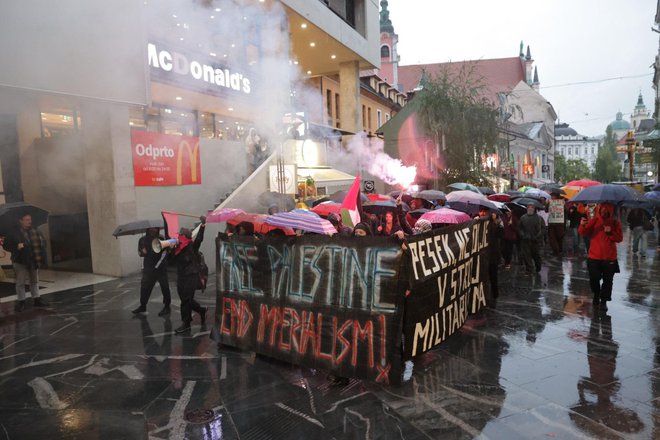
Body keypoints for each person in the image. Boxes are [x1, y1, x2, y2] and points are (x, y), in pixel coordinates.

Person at [579, 203, 623, 311]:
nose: (604, 212)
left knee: (608, 281)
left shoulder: (615, 222)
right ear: (599, 210)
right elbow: (583, 232)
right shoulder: (594, 220)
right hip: (594, 256)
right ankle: (596, 293)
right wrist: (582, 224)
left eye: (607, 210)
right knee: (594, 278)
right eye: (603, 210)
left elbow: (619, 238)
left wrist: (610, 232)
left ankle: (603, 301)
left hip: (609, 258)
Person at [4, 213, 48, 311]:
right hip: (20, 261)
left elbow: (43, 241)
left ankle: (37, 299)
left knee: (34, 281)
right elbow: (6, 245)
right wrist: (16, 247)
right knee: (20, 282)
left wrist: (41, 244)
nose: (29, 221)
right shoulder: (13, 232)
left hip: (34, 260)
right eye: (27, 220)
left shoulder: (35, 230)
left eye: (30, 219)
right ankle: (21, 301)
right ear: (21, 221)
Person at [171, 217, 208, 334]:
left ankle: (186, 323)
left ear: (186, 236)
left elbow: (199, 239)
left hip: (191, 275)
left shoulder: (192, 246)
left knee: (186, 300)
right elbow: (171, 262)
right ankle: (201, 310)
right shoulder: (177, 248)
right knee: (185, 299)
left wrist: (203, 226)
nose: (179, 236)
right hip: (181, 276)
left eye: (182, 234)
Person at [132, 227, 171, 316]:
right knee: (145, 287)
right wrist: (142, 252)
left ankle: (167, 306)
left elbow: (166, 253)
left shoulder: (160, 239)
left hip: (160, 267)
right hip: (148, 268)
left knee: (164, 286)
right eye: (152, 229)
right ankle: (143, 305)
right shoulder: (142, 240)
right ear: (148, 229)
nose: (154, 230)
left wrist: (159, 264)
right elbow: (140, 253)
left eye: (155, 229)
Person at [481, 208, 503, 307]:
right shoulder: (482, 224)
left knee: (493, 277)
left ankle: (494, 294)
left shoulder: (497, 224)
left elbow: (500, 234)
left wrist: (496, 223)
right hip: (485, 255)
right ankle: (486, 295)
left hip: (492, 255)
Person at [517, 203, 544, 273]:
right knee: (526, 256)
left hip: (535, 241)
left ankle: (538, 267)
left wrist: (538, 236)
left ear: (534, 209)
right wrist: (523, 235)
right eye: (528, 207)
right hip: (526, 240)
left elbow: (543, 229)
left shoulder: (539, 218)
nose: (530, 208)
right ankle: (529, 269)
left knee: (536, 256)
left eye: (532, 207)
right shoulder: (523, 217)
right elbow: (519, 228)